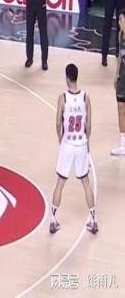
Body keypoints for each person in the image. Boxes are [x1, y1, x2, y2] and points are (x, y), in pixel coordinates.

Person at [49, 64, 98, 235]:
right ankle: (93, 220)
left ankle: (53, 220)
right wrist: (86, 140)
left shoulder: (62, 98)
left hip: (68, 144)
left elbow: (57, 123)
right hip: (81, 144)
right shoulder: (86, 97)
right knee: (86, 182)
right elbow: (89, 125)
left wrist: (60, 138)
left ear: (67, 78)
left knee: (60, 182)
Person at [112, 11, 125, 155]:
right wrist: (116, 75)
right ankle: (123, 144)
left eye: (121, 19)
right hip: (123, 76)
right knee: (120, 107)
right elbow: (120, 57)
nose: (119, 22)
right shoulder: (120, 35)